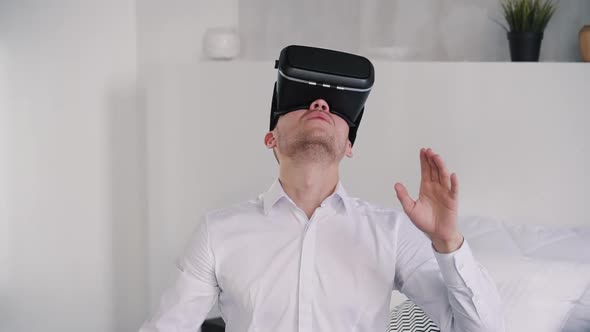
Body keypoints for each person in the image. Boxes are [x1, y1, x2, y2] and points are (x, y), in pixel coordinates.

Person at [139, 95, 505, 332]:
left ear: (349, 146)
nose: (320, 104)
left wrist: (447, 243)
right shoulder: (217, 232)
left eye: (336, 106)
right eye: (300, 100)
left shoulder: (391, 231)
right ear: (271, 139)